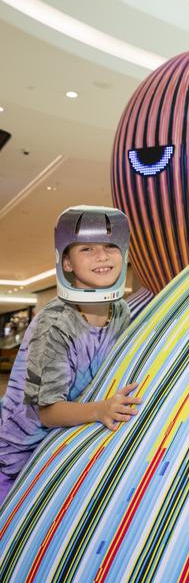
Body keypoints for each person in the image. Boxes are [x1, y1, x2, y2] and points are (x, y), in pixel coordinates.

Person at [0, 206, 141, 505]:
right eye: (87, 249)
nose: (102, 256)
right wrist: (100, 410)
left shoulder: (121, 311)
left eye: (109, 246)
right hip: (14, 460)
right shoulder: (54, 323)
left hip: (60, 447)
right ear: (66, 261)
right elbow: (48, 412)